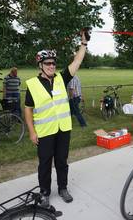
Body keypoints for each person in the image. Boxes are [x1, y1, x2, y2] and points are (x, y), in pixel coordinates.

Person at [24, 30, 89, 206]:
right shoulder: (32, 85)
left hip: (63, 129)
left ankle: (63, 188)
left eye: (53, 63)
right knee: (45, 163)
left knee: (62, 161)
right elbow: (28, 110)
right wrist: (31, 132)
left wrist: (83, 43)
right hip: (44, 132)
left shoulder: (61, 77)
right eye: (48, 63)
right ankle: (44, 192)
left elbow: (77, 61)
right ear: (40, 65)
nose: (52, 66)